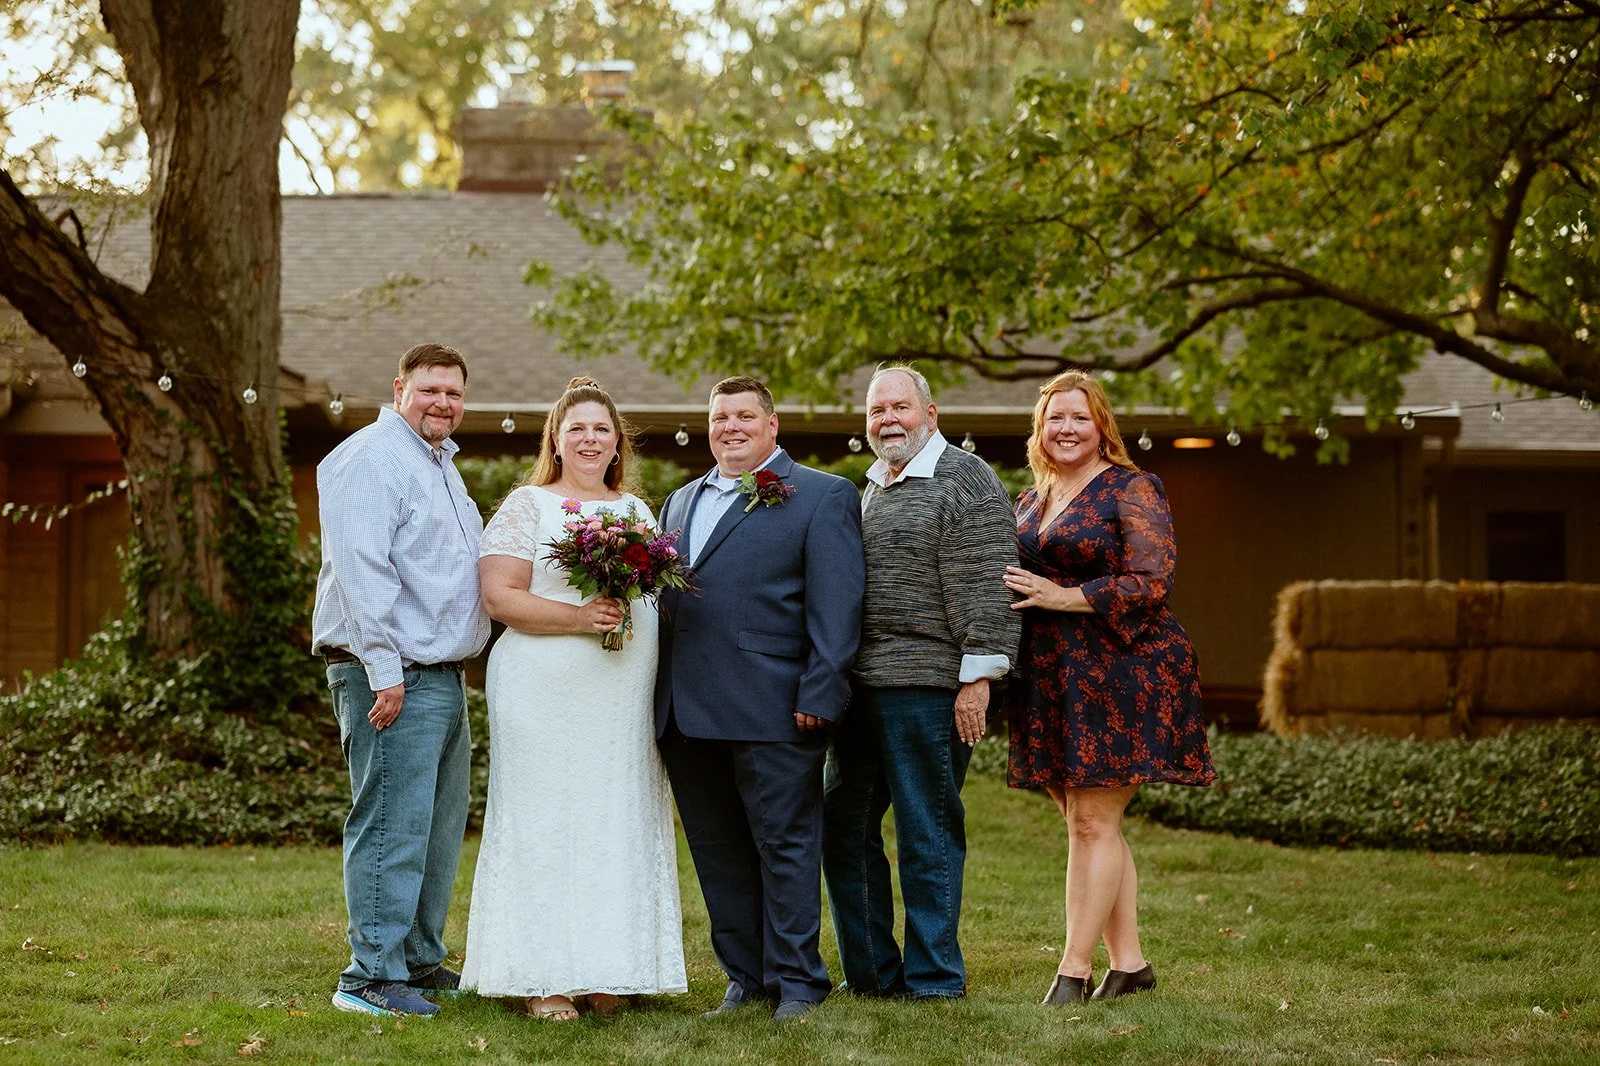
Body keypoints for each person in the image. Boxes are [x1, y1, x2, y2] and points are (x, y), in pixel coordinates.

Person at [460, 376, 687, 1020]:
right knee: (548, 817)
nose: (590, 439)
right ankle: (544, 977)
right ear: (555, 439)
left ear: (618, 444)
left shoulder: (639, 513)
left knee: (616, 814)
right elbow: (499, 597)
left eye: (602, 429)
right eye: (577, 428)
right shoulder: (528, 505)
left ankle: (610, 967)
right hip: (543, 686)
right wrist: (580, 618)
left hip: (621, 692)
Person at [654, 375, 865, 1022]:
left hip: (776, 707)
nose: (731, 427)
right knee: (718, 852)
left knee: (787, 845)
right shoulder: (679, 501)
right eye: (720, 417)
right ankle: (746, 978)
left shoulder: (822, 497)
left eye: (745, 415)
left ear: (772, 426)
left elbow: (839, 604)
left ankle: (800, 982)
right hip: (685, 710)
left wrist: (823, 691)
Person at [1002, 370, 1216, 1005]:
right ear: (1040, 429)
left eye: (1080, 418)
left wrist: (1064, 596)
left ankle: (1073, 971)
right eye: (1055, 419)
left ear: (1102, 428)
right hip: (1054, 675)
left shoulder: (1132, 488)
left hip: (1125, 670)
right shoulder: (1030, 499)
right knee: (1087, 819)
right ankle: (1131, 966)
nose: (1067, 429)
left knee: (1093, 820)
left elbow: (1152, 579)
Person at [821, 365, 1021, 1000]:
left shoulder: (965, 479)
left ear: (930, 413)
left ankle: (935, 978)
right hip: (862, 686)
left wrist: (979, 678)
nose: (888, 421)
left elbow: (992, 583)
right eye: (877, 411)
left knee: (926, 830)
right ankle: (874, 973)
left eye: (900, 407)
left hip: (932, 687)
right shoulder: (874, 485)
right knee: (843, 825)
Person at [313, 342, 492, 1018]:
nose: (442, 402)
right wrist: (384, 673)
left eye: (453, 392)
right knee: (389, 824)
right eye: (429, 389)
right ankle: (368, 978)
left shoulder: (439, 466)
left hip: (440, 676)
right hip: (391, 677)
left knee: (436, 829)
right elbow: (362, 571)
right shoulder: (373, 458)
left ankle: (415, 960)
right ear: (399, 389)